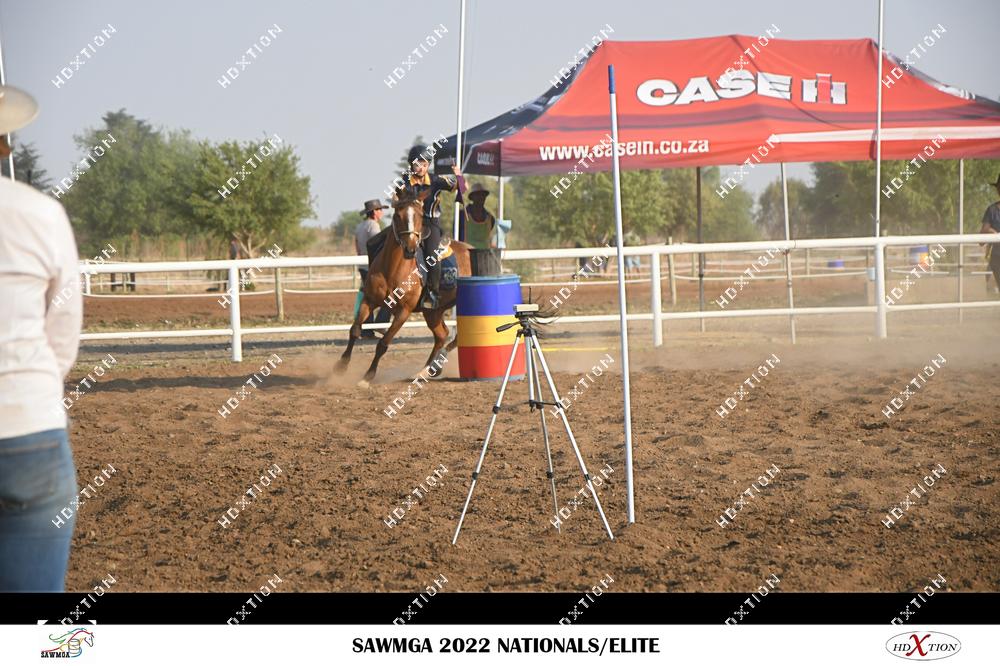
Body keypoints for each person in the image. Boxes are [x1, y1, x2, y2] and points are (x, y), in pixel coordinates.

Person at [0, 85, 82, 592]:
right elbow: (64, 326)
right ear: (5, 144)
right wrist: (36, 389)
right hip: (30, 429)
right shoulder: (41, 213)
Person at [398, 145, 464, 309]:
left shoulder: (436, 180)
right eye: (417, 164)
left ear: (429, 165)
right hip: (410, 223)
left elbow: (462, 187)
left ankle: (432, 293)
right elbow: (396, 198)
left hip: (430, 224)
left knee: (431, 256)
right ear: (411, 164)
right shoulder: (405, 180)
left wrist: (459, 175)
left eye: (425, 164)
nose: (421, 168)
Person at [354, 199, 391, 337]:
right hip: (373, 267)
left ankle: (366, 329)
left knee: (367, 296)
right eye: (380, 210)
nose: (382, 212)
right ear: (375, 212)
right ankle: (381, 322)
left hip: (362, 265)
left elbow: (357, 245)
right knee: (390, 294)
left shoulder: (360, 226)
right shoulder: (374, 226)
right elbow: (378, 245)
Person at [979, 173, 1000, 294]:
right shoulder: (992, 210)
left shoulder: (992, 210)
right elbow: (982, 239)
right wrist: (992, 232)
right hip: (997, 259)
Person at [461, 183, 496, 249]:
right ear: (472, 197)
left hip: (484, 254)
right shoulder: (462, 215)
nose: (481, 197)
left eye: (483, 195)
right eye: (478, 194)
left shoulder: (490, 219)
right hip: (466, 253)